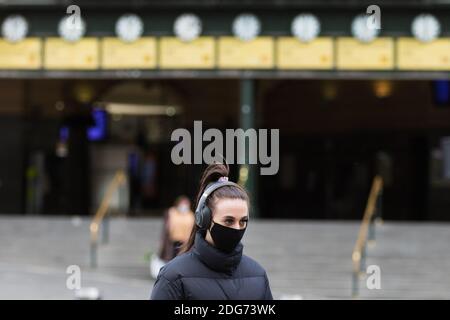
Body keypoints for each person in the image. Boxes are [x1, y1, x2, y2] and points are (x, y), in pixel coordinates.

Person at [150, 162, 273, 300]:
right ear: (205, 219)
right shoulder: (174, 276)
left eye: (243, 221)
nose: (237, 228)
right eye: (229, 221)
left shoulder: (258, 275)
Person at [150, 196, 195, 279]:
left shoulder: (190, 215)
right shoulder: (171, 212)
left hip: (185, 243)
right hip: (172, 241)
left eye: (186, 204)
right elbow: (166, 228)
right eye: (183, 203)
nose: (184, 206)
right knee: (171, 259)